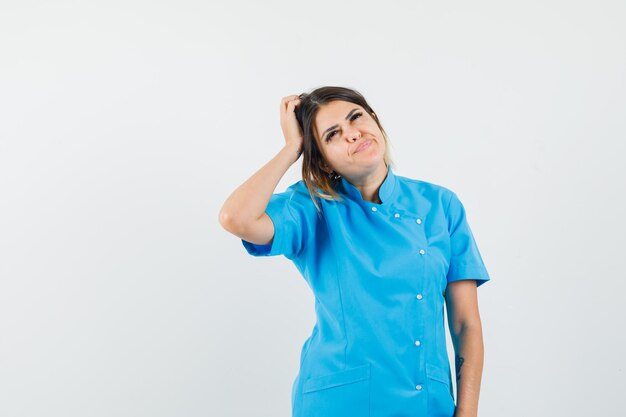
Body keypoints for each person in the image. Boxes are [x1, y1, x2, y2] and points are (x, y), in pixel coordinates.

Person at [219, 86, 491, 417]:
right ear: (320, 156)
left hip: (427, 403)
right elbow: (237, 217)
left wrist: (468, 412)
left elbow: (466, 325)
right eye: (333, 135)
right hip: (338, 404)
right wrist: (291, 148)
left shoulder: (440, 205)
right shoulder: (312, 206)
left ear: (374, 119)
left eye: (356, 117)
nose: (353, 134)